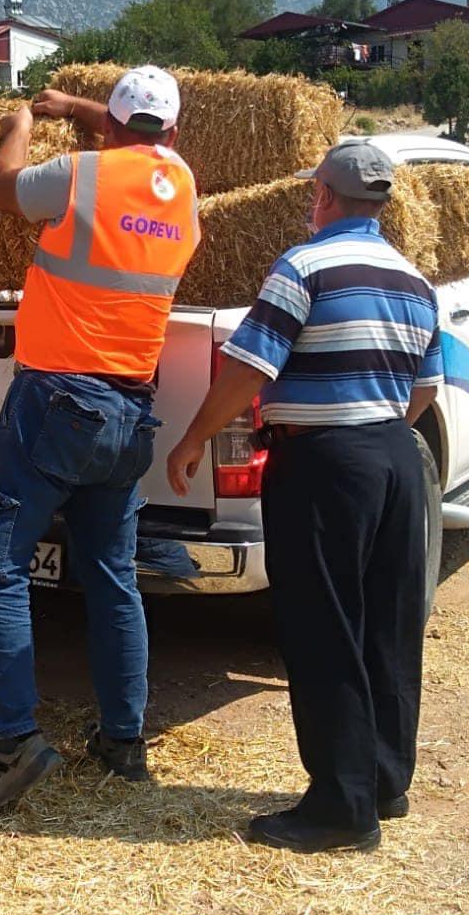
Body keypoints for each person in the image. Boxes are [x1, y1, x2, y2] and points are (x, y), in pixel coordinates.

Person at [165, 140, 442, 853]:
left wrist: (194, 437)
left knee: (324, 629)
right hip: (394, 457)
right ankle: (384, 782)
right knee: (387, 624)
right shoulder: (415, 280)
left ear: (322, 197)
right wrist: (372, 433)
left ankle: (340, 810)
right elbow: (425, 391)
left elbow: (248, 368)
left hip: (325, 464)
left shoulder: (304, 266)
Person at [0, 66, 200, 816]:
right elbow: (137, 134)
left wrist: (20, 131)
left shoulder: (78, 175)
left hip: (58, 398)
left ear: (115, 126)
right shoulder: (185, 186)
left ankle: (16, 742)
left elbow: (1, 191)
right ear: (173, 131)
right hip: (132, 410)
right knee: (112, 574)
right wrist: (77, 106)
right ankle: (123, 742)